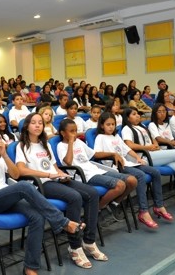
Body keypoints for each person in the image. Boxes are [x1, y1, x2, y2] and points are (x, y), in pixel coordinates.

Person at [0, 118, 84, 275]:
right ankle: (63, 222)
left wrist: (4, 155)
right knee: (24, 186)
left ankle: (30, 267)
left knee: (37, 217)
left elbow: (15, 174)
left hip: (6, 195)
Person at [16, 113, 105, 269]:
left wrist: (61, 174)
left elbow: (54, 165)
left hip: (55, 178)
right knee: (75, 197)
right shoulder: (21, 146)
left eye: (40, 123)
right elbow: (21, 170)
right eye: (33, 123)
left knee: (92, 193)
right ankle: (75, 246)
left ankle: (89, 241)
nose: (37, 125)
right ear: (26, 126)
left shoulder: (46, 144)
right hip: (41, 184)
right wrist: (49, 174)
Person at [94, 112, 171, 229]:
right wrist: (112, 154)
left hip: (127, 164)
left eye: (113, 124)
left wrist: (137, 158)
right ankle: (143, 211)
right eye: (108, 124)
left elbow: (127, 149)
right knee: (139, 175)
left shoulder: (116, 136)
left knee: (155, 172)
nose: (111, 127)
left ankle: (159, 206)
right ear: (101, 126)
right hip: (116, 167)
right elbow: (97, 154)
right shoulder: (100, 137)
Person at [57, 119, 137, 210]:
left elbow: (94, 154)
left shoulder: (79, 142)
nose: (75, 133)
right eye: (71, 131)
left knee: (132, 180)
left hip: (95, 170)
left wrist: (113, 154)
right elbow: (68, 162)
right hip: (84, 175)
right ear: (63, 133)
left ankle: (114, 203)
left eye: (75, 130)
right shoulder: (61, 146)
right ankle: (98, 208)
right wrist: (71, 143)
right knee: (120, 185)